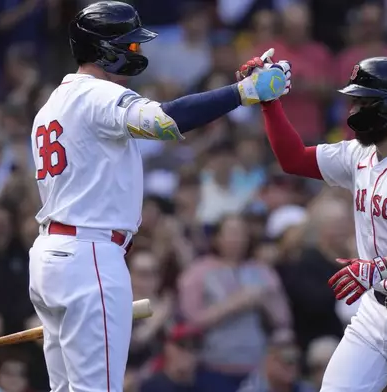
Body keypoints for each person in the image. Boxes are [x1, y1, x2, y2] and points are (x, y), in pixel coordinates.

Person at [27, 2, 289, 392]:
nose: (137, 52)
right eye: (129, 46)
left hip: (54, 255)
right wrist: (244, 92)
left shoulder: (51, 106)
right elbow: (165, 122)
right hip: (90, 255)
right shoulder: (95, 94)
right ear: (105, 49)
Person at [238, 55, 387, 391]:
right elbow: (292, 159)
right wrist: (269, 101)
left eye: (362, 102)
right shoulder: (359, 155)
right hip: (374, 313)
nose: (351, 111)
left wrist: (379, 267)